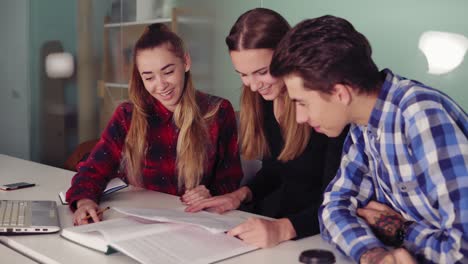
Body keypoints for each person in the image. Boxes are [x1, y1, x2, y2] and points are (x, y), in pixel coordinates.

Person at [269, 15, 468, 264]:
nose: (298, 117)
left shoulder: (421, 115)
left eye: (302, 102)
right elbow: (333, 209)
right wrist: (373, 254)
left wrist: (401, 232)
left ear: (340, 93)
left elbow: (463, 250)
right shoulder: (363, 126)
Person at [185, 8, 348, 248]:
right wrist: (239, 195)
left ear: (287, 55)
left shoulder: (324, 108)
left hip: (317, 233)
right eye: (243, 75)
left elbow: (336, 202)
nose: (252, 86)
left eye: (262, 72)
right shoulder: (263, 99)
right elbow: (275, 170)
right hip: (278, 226)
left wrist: (284, 228)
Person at [66, 23, 243, 225]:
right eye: (149, 77)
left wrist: (209, 192)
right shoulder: (127, 115)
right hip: (138, 221)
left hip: (196, 223)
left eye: (168, 72)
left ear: (185, 62)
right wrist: (84, 202)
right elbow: (92, 170)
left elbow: (231, 179)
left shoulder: (218, 111)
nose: (161, 85)